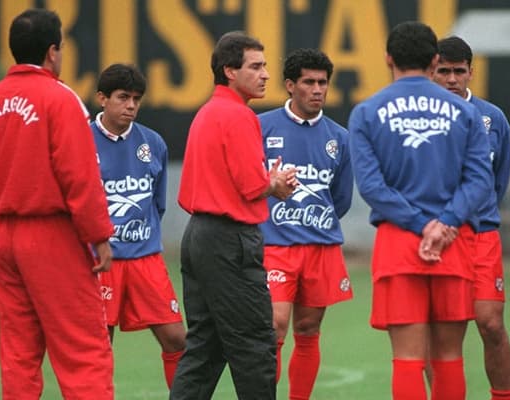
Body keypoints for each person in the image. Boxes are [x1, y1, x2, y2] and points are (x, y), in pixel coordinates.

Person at [0, 8, 115, 399]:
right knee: (83, 347)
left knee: (18, 351)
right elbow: (79, 176)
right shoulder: (60, 99)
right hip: (52, 235)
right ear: (52, 52)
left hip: (2, 237)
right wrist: (98, 235)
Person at [348, 21, 493, 400]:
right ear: (434, 61)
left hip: (399, 243)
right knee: (449, 358)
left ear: (388, 58)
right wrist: (444, 224)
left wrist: (419, 223)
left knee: (409, 360)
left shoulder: (366, 113)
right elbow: (480, 181)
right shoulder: (465, 112)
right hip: (453, 243)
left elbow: (372, 188)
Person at [170, 31, 298, 400]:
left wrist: (265, 180)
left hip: (198, 236)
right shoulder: (239, 115)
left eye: (264, 66)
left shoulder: (208, 111)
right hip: (230, 240)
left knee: (205, 348)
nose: (265, 75)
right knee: (256, 344)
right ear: (230, 71)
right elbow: (249, 185)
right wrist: (273, 182)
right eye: (255, 67)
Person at [258, 48, 354, 399]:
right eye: (309, 82)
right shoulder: (262, 126)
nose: (317, 89)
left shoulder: (339, 138)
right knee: (274, 326)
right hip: (275, 246)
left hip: (320, 247)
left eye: (322, 83)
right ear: (289, 85)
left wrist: (312, 220)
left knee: (308, 328)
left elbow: (340, 199)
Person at [91, 63, 186, 390]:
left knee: (177, 339)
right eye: (122, 97)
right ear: (102, 98)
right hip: (99, 262)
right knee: (99, 348)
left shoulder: (153, 143)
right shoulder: (80, 141)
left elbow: (156, 204)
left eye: (136, 99)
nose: (131, 105)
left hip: (146, 259)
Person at [433, 35, 510, 400]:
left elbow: (495, 182)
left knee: (491, 323)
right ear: (431, 72)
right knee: (443, 331)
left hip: (480, 235)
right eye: (443, 71)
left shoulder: (492, 118)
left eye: (458, 71)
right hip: (438, 238)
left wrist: (473, 215)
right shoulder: (423, 118)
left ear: (471, 72)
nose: (451, 79)